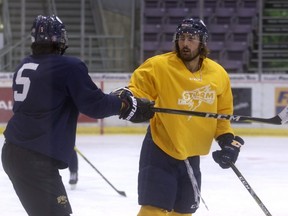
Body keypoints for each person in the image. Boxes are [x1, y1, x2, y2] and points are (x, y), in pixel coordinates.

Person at [1, 14, 154, 216]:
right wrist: (125, 104)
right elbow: (95, 106)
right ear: (60, 38)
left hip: (15, 151)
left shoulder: (24, 64)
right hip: (34, 157)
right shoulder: (69, 67)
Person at [119, 18, 245, 216]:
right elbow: (137, 90)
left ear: (202, 42)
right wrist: (128, 98)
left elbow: (222, 114)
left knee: (184, 211)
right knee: (154, 209)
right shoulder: (159, 66)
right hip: (161, 148)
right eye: (182, 38)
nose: (185, 43)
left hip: (192, 152)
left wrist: (227, 141)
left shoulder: (218, 74)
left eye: (192, 38)